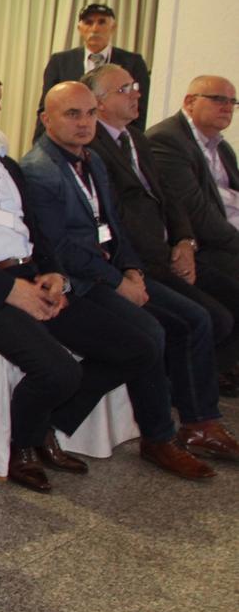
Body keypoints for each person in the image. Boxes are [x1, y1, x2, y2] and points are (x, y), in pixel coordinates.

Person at [0, 65, 200, 492]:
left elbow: (36, 230)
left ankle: (44, 426)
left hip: (27, 278)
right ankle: (21, 445)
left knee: (138, 346)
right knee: (59, 371)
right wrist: (9, 290)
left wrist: (53, 273)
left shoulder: (5, 161)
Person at [22, 82, 227, 476]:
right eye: (72, 114)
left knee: (192, 319)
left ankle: (197, 425)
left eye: (90, 113)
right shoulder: (39, 171)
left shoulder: (93, 160)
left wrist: (132, 270)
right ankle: (157, 437)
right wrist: (119, 284)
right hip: (76, 282)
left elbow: (114, 226)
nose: (84, 123)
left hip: (111, 272)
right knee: (149, 336)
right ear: (47, 119)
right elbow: (61, 249)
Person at [86, 65, 239, 403]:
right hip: (137, 261)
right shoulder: (95, 145)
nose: (136, 94)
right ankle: (191, 407)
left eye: (134, 87)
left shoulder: (136, 138)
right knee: (204, 318)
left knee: (213, 316)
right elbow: (118, 216)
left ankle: (195, 400)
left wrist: (184, 241)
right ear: (99, 102)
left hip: (170, 251)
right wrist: (154, 258)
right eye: (124, 89)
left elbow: (169, 197)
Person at [148, 76, 239, 256]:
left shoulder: (223, 148)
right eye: (218, 99)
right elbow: (195, 213)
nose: (228, 108)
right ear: (190, 102)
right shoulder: (166, 139)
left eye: (232, 102)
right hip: (202, 248)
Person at [36, 3, 151, 137]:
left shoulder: (132, 62)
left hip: (116, 138)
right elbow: (47, 106)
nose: (95, 29)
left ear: (113, 27)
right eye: (88, 22)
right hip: (69, 137)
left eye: (101, 22)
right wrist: (39, 140)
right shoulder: (61, 62)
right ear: (79, 28)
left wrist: (129, 142)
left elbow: (141, 108)